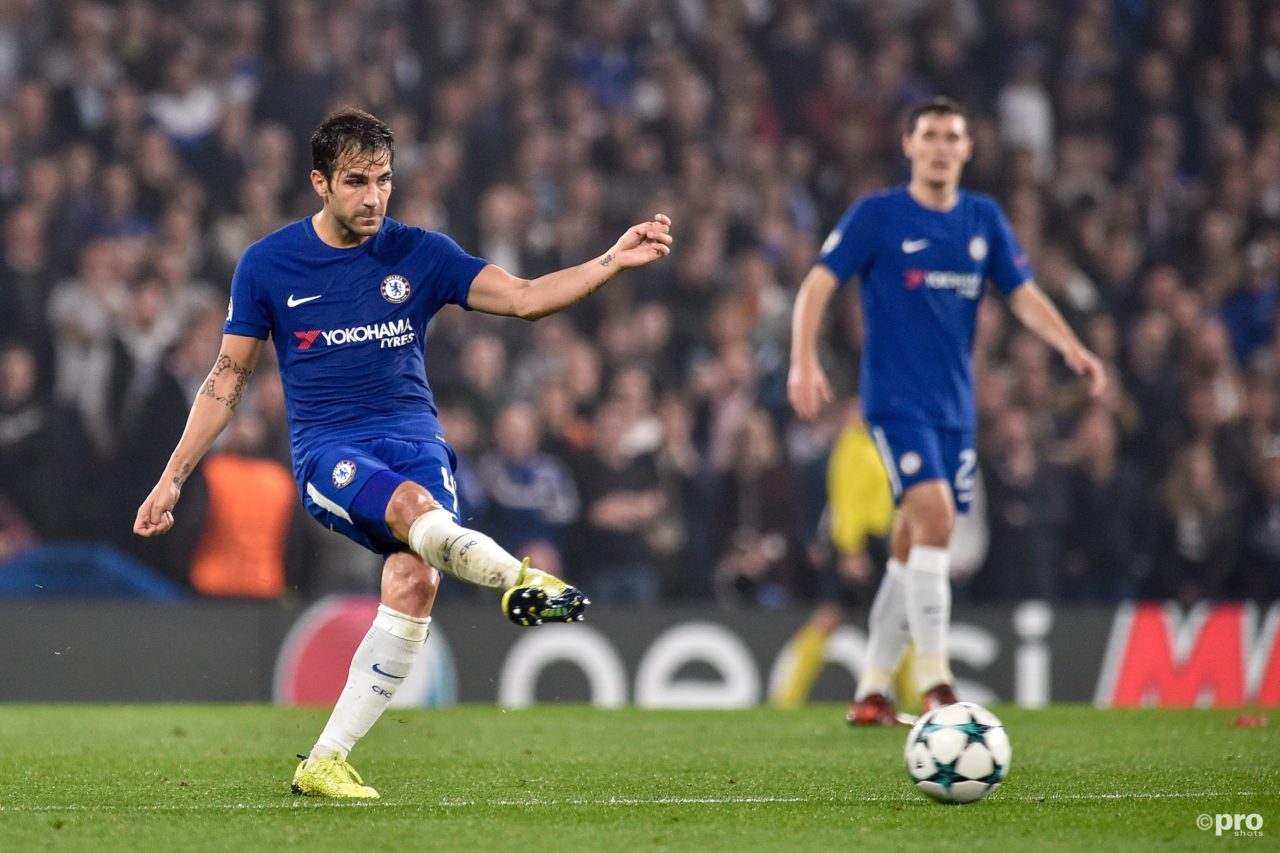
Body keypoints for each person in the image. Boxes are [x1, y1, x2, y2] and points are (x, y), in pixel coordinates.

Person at [133, 109, 673, 796]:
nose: (373, 197)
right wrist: (174, 476)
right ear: (319, 182)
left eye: (384, 180)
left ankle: (324, 759)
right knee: (412, 510)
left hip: (419, 443)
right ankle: (518, 582)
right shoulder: (268, 264)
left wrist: (610, 261)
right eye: (356, 181)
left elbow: (528, 297)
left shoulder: (422, 253)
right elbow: (226, 379)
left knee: (414, 583)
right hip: (332, 450)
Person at [787, 96, 1105, 726]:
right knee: (934, 519)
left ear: (967, 149)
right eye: (928, 134)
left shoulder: (984, 219)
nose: (939, 145)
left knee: (910, 545)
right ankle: (934, 679)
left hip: (956, 409)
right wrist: (804, 361)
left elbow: (1022, 294)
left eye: (951, 136)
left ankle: (873, 689)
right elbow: (820, 281)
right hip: (894, 402)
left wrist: (1070, 343)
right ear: (908, 145)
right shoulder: (878, 215)